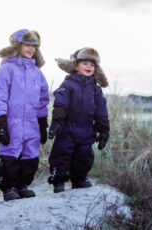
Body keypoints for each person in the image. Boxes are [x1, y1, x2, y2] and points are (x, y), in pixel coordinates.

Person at [0, 29, 49, 201]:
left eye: (34, 46)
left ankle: (23, 185)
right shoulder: (6, 70)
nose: (31, 49)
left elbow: (43, 97)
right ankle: (9, 188)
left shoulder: (37, 72)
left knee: (30, 155)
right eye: (27, 44)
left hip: (31, 122)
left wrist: (42, 121)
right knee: (10, 154)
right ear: (17, 45)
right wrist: (1, 122)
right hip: (12, 121)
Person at [48, 47, 110, 193]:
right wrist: (57, 122)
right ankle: (59, 181)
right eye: (85, 63)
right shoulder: (68, 85)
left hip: (87, 130)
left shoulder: (96, 90)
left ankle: (79, 179)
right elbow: (61, 104)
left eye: (92, 65)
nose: (89, 67)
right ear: (75, 66)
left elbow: (101, 110)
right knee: (62, 154)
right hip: (67, 129)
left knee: (84, 156)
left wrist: (103, 129)